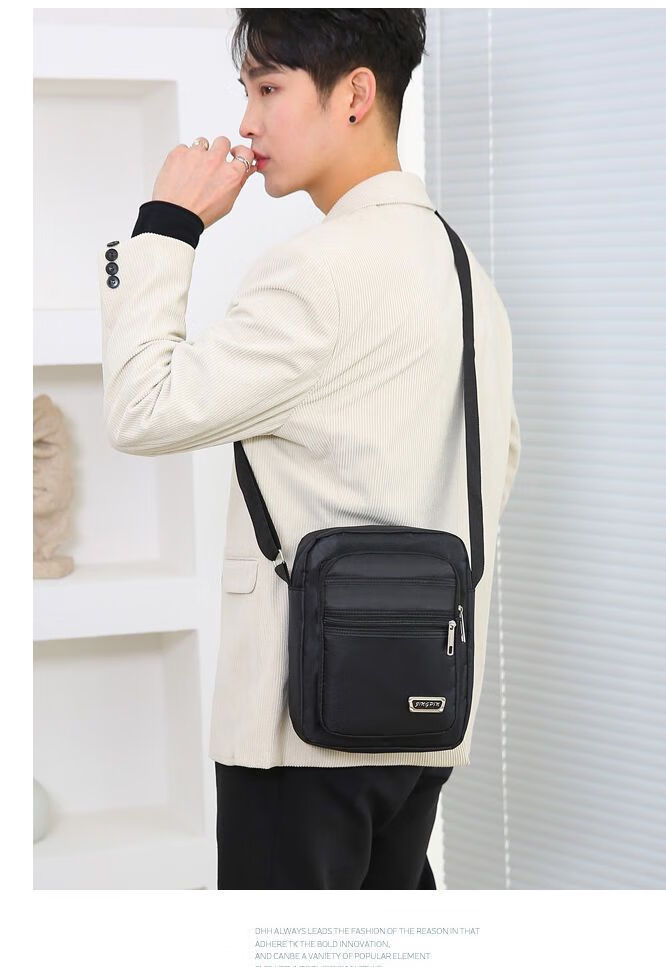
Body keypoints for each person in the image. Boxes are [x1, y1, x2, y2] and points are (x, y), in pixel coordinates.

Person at [98, 9, 521, 890]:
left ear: (355, 94)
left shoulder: (317, 269)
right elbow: (499, 461)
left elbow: (142, 408)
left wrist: (167, 225)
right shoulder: (463, 270)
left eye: (268, 89)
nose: (247, 122)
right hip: (424, 710)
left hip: (300, 726)